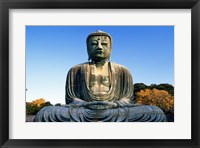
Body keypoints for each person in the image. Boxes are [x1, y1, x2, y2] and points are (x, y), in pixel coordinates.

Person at [34, 30, 167, 122]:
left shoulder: (122, 70)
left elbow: (128, 98)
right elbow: (71, 98)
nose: (99, 47)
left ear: (111, 48)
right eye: (93, 44)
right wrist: (85, 104)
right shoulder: (76, 70)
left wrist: (114, 104)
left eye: (104, 44)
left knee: (155, 112)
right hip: (84, 110)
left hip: (116, 110)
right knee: (46, 113)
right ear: (87, 47)